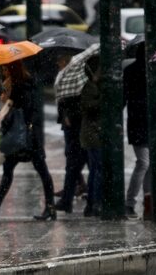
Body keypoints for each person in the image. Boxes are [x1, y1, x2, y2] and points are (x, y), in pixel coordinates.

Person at [0, 60, 56, 220]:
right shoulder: (16, 85)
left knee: (42, 171)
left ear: (13, 70)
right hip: (20, 136)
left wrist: (9, 99)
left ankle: (50, 207)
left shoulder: (23, 86)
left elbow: (25, 110)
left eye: (6, 69)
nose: (4, 72)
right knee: (8, 170)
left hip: (29, 137)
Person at [54, 54, 87, 214]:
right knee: (74, 163)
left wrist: (67, 114)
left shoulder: (75, 80)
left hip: (76, 128)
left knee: (74, 163)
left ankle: (70, 196)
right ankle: (73, 193)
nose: (57, 63)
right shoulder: (68, 79)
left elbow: (70, 103)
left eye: (60, 60)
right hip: (74, 128)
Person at [123, 43, 151, 220]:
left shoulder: (132, 70)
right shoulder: (141, 71)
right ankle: (130, 202)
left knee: (147, 164)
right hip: (142, 122)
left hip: (139, 122)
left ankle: (146, 200)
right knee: (144, 163)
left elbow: (124, 97)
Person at [80, 54, 103, 217]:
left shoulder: (95, 86)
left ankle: (93, 203)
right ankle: (94, 203)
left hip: (94, 133)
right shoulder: (89, 87)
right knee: (97, 169)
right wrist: (103, 98)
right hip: (92, 134)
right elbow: (89, 107)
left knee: (96, 169)